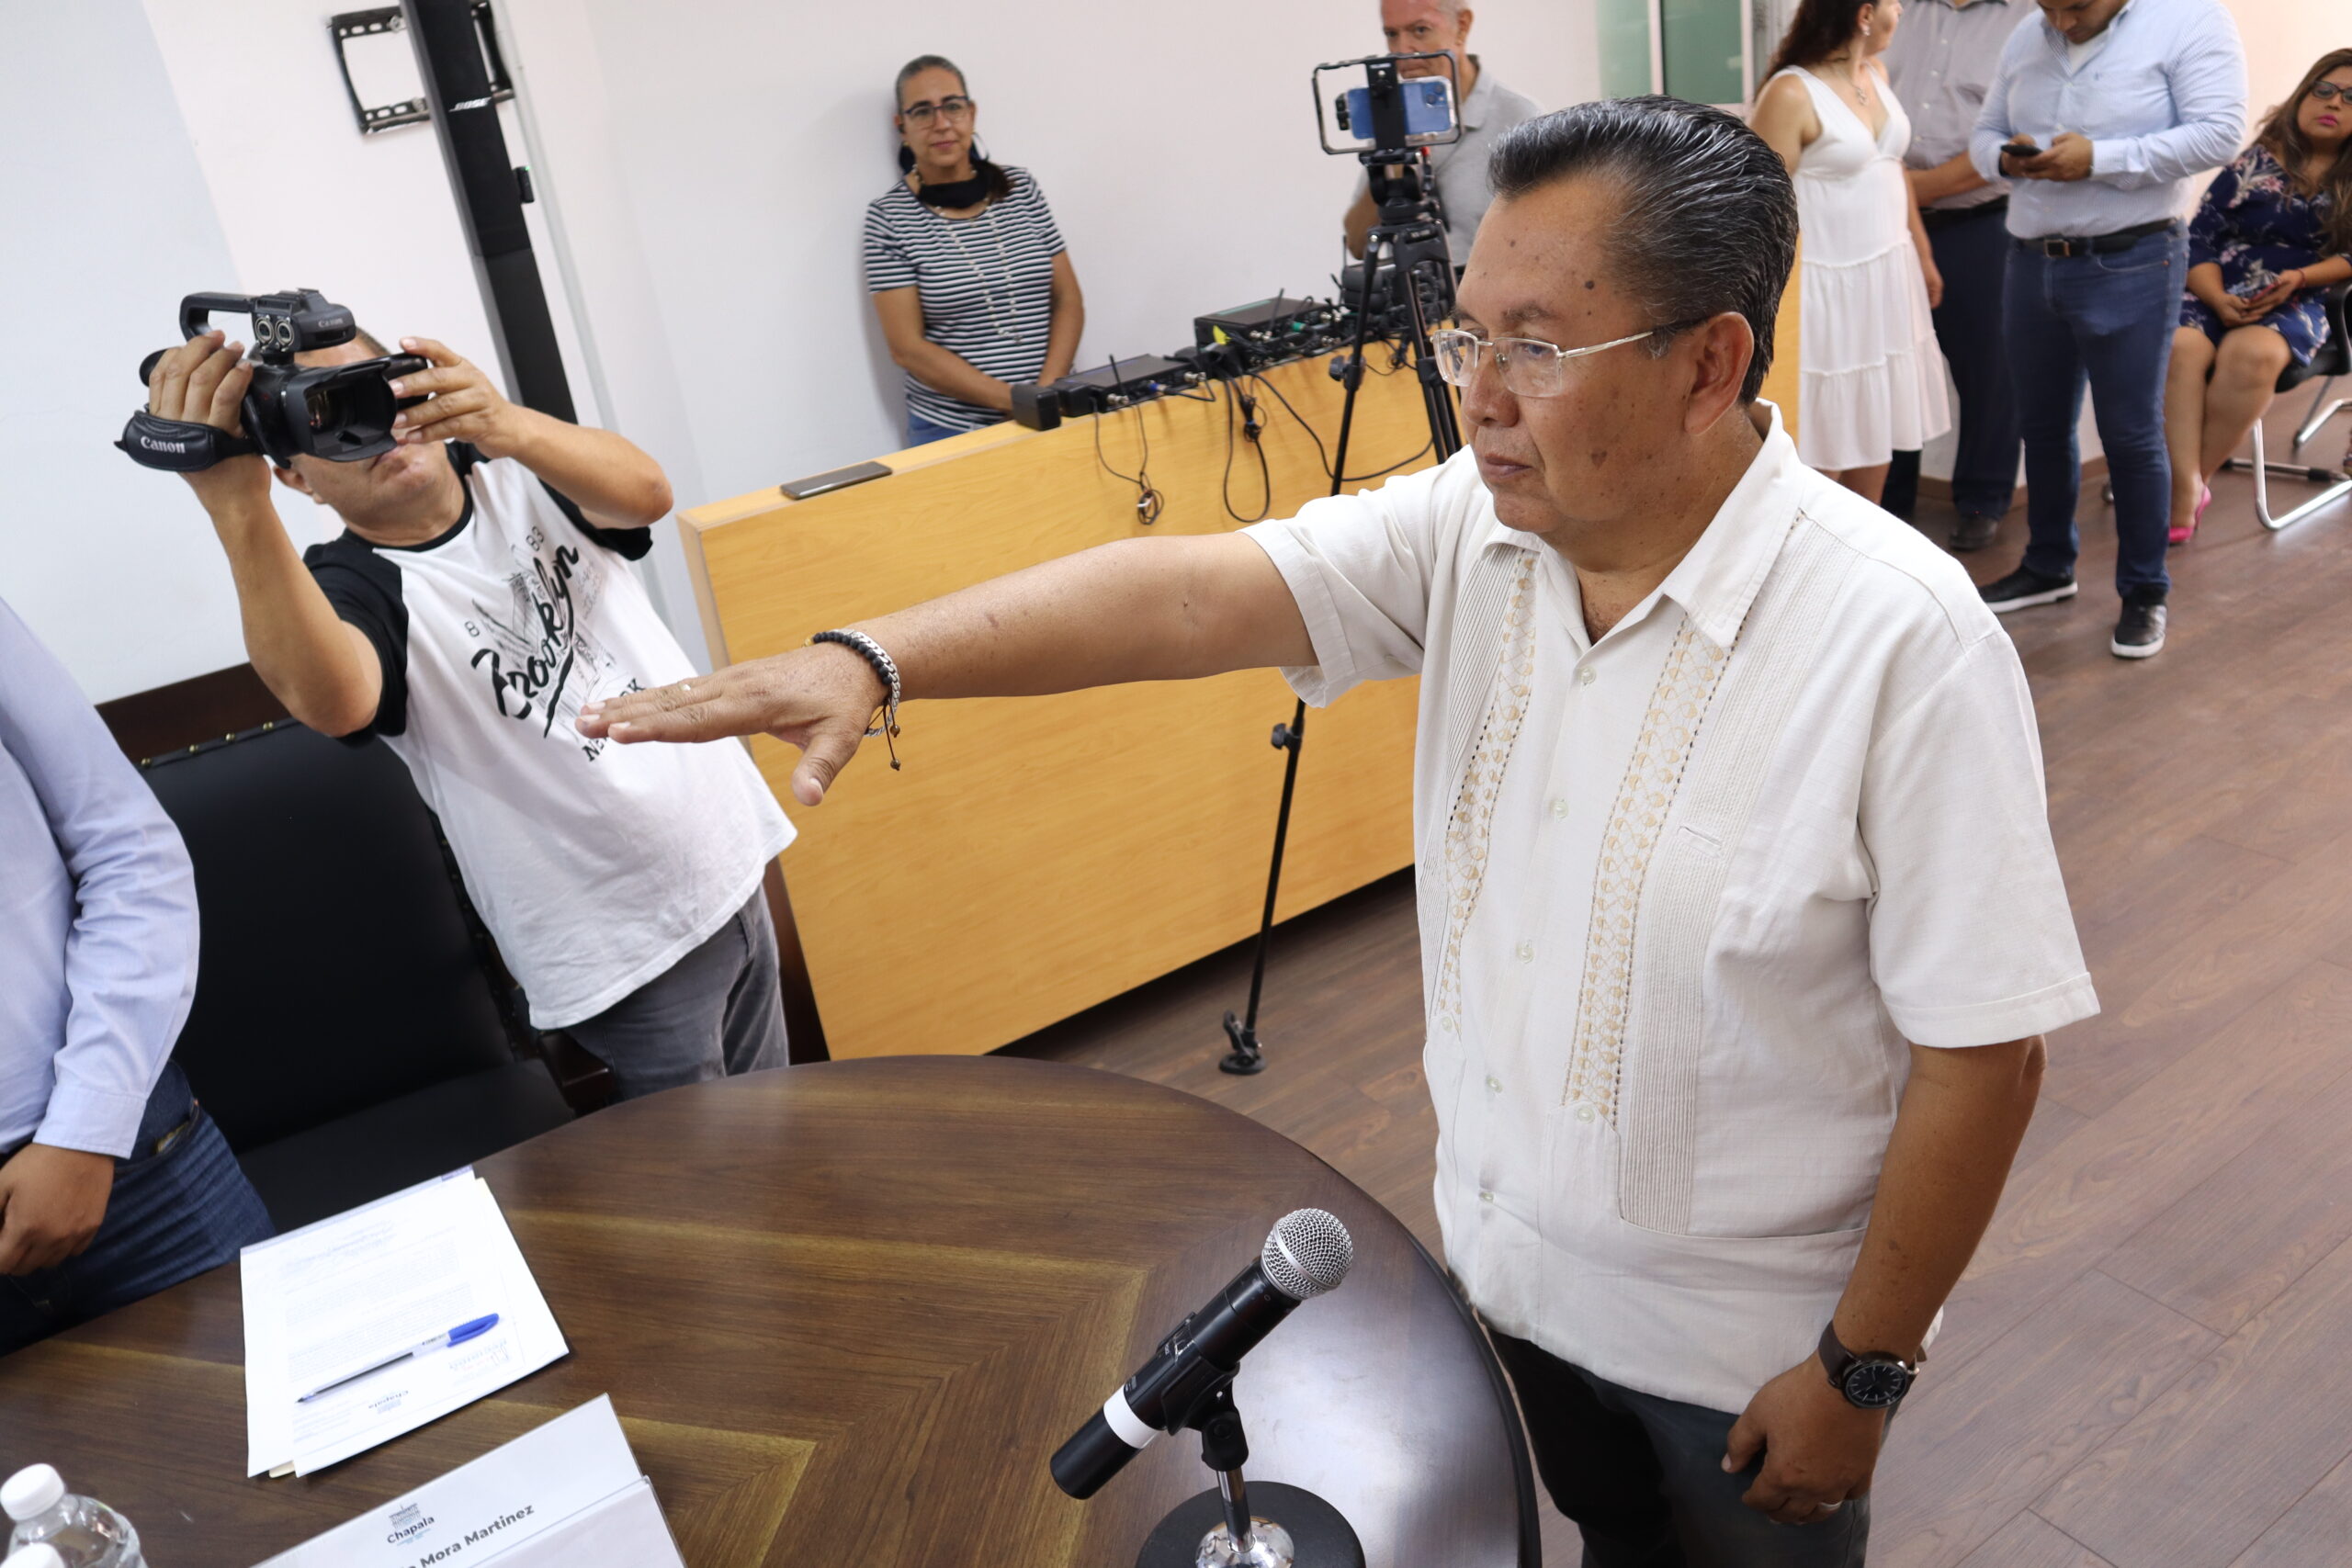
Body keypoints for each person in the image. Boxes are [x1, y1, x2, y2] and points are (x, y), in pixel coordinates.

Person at [582, 98, 2097, 1566]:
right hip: (1509, 1283)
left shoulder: (1898, 640)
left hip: (1753, 1355)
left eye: (1537, 349)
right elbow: (1185, 592)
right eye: (1469, 334)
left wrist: (1864, 1372)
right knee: (1613, 1539)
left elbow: (1986, 1051)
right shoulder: (1477, 530)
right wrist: (874, 655)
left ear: (1711, 365)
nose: (1480, 394)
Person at [138, 327, 794, 1101]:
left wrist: (502, 421)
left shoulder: (521, 475)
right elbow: (334, 698)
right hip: (620, 949)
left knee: (781, 1122)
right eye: (328, 419)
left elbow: (645, 493)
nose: (371, 428)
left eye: (378, 391)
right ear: (296, 477)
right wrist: (236, 504)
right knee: (720, 1186)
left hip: (730, 863)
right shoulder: (352, 586)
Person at [0, 595, 274, 1354]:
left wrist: (86, 1132)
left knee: (318, 1452)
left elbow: (128, 850)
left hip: (126, 1165)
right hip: (113, 1144)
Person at [1970, 0, 2246, 659]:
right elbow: (1983, 134)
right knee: (2040, 426)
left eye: (2075, 7)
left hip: (2133, 259)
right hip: (2030, 260)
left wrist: (2101, 158)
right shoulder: (2026, 33)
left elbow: (2219, 133)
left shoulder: (2191, 20)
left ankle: (2145, 592)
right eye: (2048, 6)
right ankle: (2047, 565)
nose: (2059, 21)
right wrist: (2008, 160)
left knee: (2130, 433)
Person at [1755, 0, 1954, 504]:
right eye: (1893, 3)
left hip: (1888, 275)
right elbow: (1759, 206)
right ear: (1864, 12)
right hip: (1823, 288)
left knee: (1876, 425)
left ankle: (1861, 564)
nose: (1902, 10)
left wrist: (1924, 254)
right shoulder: (1791, 92)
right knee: (1822, 440)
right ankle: (1806, 570)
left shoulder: (1876, 72)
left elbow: (1893, 170)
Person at [2164, 51, 2352, 544]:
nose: (2334, 103)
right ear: (2305, 94)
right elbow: (2200, 233)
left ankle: (2188, 485)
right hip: (2215, 284)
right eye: (2325, 90)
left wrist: (2300, 278)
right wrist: (2216, 295)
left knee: (2250, 354)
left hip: (2304, 293)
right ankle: (2183, 481)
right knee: (2180, 347)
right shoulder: (2259, 157)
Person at [865, 55, 1084, 446]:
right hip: (952, 430)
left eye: (952, 106)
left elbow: (1068, 299)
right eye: (922, 112)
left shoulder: (1021, 187)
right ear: (903, 127)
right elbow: (907, 349)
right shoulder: (889, 218)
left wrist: (1046, 392)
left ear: (971, 112)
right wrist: (1016, 402)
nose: (942, 123)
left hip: (1054, 410)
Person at [1879, 0, 2033, 550]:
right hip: (1883, 227)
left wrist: (1893, 188)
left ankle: (1982, 500)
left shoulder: (2030, 20)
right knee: (1890, 366)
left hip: (1980, 220)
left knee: (1991, 369)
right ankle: (1888, 500)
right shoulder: (1893, 11)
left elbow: (2013, 140)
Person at [1340, 1, 1543, 267]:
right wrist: (1394, 160)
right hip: (1411, 298)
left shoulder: (1520, 117)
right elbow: (1357, 243)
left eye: (1420, 30)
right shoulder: (1392, 119)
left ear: (1462, 26)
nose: (1402, 50)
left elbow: (1543, 247)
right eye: (1392, 34)